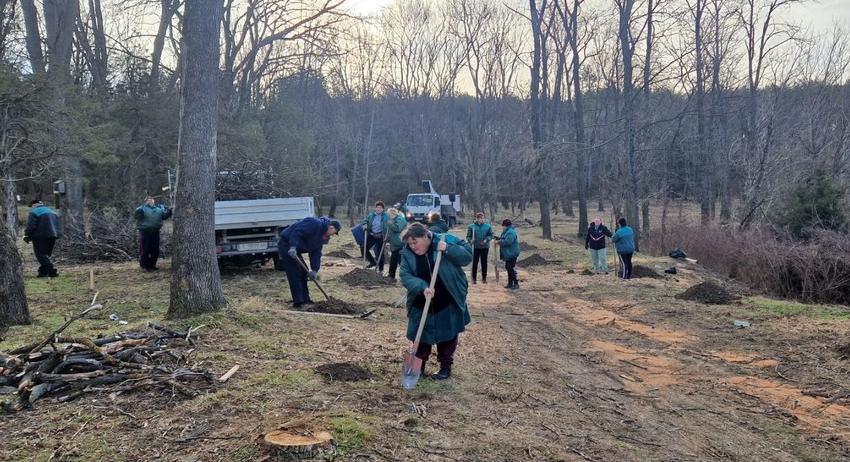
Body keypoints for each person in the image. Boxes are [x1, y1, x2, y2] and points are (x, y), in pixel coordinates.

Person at [400, 223, 472, 380]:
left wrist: (448, 249)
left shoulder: (446, 239)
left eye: (415, 242)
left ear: (426, 236)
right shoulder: (407, 253)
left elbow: (467, 256)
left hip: (447, 298)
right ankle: (418, 366)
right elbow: (405, 275)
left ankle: (445, 367)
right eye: (409, 243)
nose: (412, 246)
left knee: (448, 334)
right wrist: (422, 287)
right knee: (420, 334)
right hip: (421, 299)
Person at [277, 216, 341, 307]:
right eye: (335, 232)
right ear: (331, 227)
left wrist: (314, 270)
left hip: (295, 249)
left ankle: (306, 299)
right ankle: (298, 302)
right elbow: (297, 232)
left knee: (303, 272)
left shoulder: (321, 238)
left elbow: (316, 253)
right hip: (287, 244)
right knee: (294, 272)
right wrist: (293, 247)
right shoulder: (314, 223)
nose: (333, 235)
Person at [24, 199, 62, 278]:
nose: (31, 208)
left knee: (40, 255)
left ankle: (52, 272)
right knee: (46, 255)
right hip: (53, 235)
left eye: (31, 206)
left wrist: (27, 235)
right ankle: (42, 272)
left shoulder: (34, 212)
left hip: (40, 236)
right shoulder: (52, 211)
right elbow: (58, 225)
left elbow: (31, 227)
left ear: (34, 205)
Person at [133, 196, 172, 271]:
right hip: (145, 232)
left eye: (151, 199)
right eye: (148, 199)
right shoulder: (142, 208)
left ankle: (152, 265)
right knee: (145, 249)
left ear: (154, 200)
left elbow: (164, 216)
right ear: (146, 201)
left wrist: (169, 211)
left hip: (155, 232)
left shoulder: (159, 209)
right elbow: (136, 216)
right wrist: (138, 212)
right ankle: (145, 266)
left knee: (155, 250)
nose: (150, 200)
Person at [466, 212, 494, 284]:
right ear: (476, 219)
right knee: (475, 262)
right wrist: (470, 240)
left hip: (484, 247)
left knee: (484, 262)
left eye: (482, 218)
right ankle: (474, 279)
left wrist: (486, 240)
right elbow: (468, 236)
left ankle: (484, 278)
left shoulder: (487, 226)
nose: (481, 219)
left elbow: (491, 235)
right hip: (475, 247)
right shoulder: (471, 226)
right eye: (479, 218)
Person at [361, 201, 388, 270]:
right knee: (363, 248)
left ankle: (381, 269)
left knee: (380, 253)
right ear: (375, 208)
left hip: (381, 236)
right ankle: (372, 262)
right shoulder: (371, 215)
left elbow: (389, 225)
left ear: (383, 209)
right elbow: (365, 221)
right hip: (372, 235)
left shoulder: (386, 216)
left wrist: (385, 236)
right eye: (377, 207)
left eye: (380, 208)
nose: (378, 209)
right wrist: (365, 226)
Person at [495, 219, 520, 290]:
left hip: (512, 253)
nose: (502, 227)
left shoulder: (511, 232)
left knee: (510, 267)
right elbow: (504, 238)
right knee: (508, 267)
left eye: (503, 226)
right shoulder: (507, 231)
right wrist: (498, 238)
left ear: (506, 225)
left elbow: (508, 241)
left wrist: (499, 242)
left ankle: (515, 283)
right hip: (509, 253)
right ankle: (510, 283)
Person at [386, 207, 408, 279]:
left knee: (400, 261)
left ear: (392, 213)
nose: (388, 216)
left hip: (400, 243)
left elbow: (398, 228)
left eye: (389, 214)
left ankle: (405, 276)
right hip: (395, 244)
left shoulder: (400, 219)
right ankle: (391, 275)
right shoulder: (393, 220)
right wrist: (388, 239)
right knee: (393, 260)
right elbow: (391, 232)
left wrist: (391, 224)